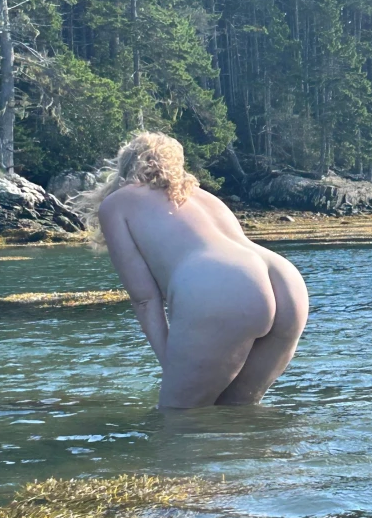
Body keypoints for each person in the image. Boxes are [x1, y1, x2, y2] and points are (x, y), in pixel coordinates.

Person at [87, 132, 309, 409]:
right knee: (239, 410)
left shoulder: (118, 202)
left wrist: (170, 364)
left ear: (126, 165)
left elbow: (144, 299)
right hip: (286, 281)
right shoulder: (205, 197)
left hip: (223, 284)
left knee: (178, 415)